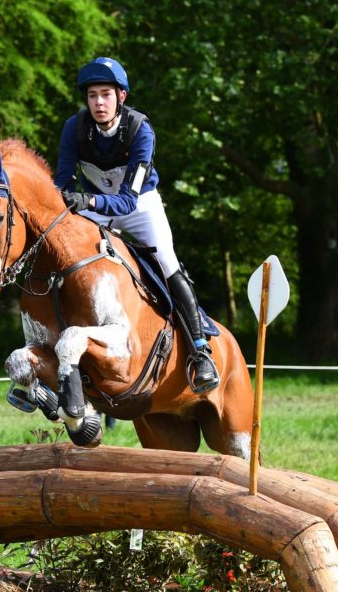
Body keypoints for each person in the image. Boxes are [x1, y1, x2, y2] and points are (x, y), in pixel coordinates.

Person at [54, 56, 219, 394]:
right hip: (97, 206)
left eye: (106, 94)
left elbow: (128, 201)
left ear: (121, 97)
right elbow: (63, 182)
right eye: (92, 96)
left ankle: (200, 351)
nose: (99, 103)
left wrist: (90, 201)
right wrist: (71, 202)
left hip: (139, 205)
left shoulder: (140, 129)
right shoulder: (75, 128)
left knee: (167, 263)